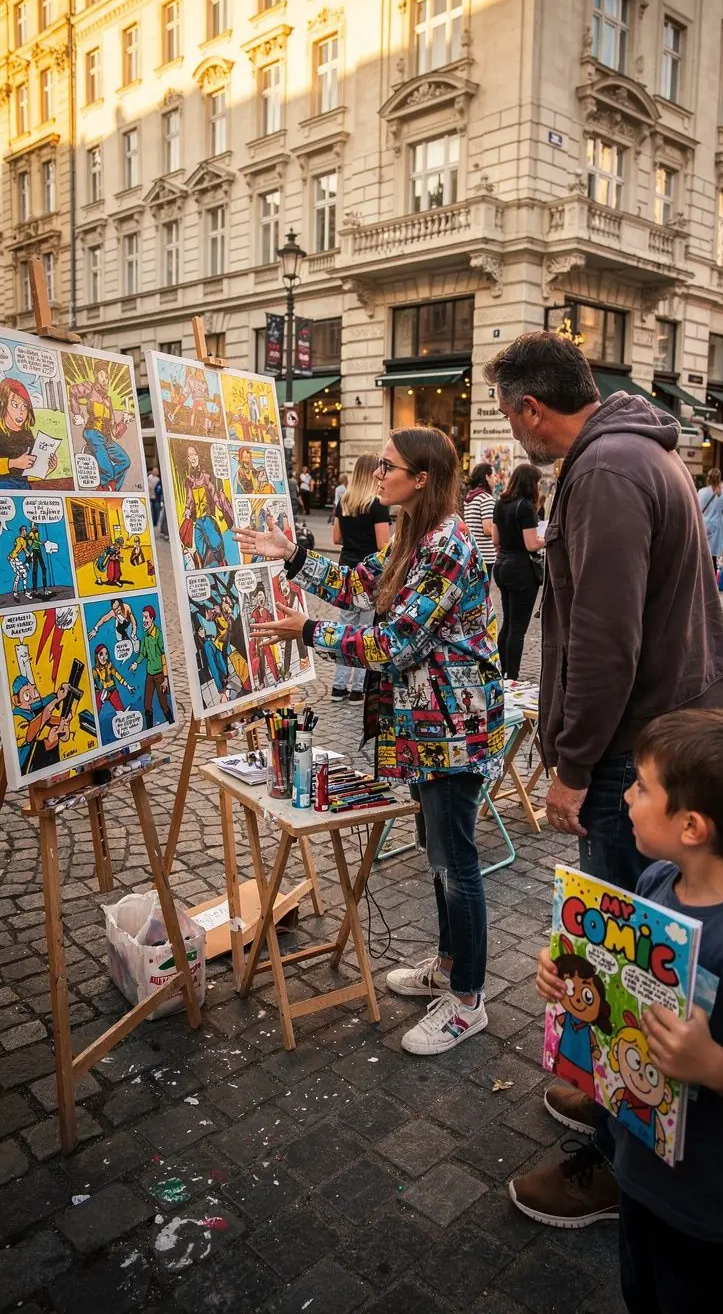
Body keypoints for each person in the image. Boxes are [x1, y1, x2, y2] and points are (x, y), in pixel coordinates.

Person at [483, 331, 723, 1225]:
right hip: (658, 734)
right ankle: (610, 1095)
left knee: (625, 956)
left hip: (636, 750)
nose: (515, 437)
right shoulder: (633, 454)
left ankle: (617, 1165)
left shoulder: (606, 471)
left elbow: (603, 639)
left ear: (529, 409)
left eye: (511, 420)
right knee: (628, 944)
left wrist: (574, 766)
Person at [519, 709, 723, 1313]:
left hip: (711, 1208)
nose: (625, 793)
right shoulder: (655, 882)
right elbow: (619, 996)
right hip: (641, 1173)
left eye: (642, 785)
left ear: (693, 827)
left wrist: (714, 1065)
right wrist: (567, 980)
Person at [236, 427, 505, 1057]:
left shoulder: (447, 548)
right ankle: (447, 965)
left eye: (388, 467)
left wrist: (308, 631)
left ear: (422, 478)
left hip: (452, 728)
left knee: (456, 861)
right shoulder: (416, 537)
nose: (377, 476)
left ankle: (468, 1000)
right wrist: (296, 559)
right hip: (427, 725)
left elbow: (394, 644)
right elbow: (366, 587)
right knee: (438, 853)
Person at [330, 453, 390, 704]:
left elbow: (335, 539)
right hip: (368, 573)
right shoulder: (377, 504)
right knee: (365, 630)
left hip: (345, 570)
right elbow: (383, 545)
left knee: (345, 628)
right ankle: (358, 688)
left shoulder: (345, 501)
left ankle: (338, 686)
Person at [492, 462, 546, 679]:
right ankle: (512, 676)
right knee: (518, 627)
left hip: (502, 565)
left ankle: (502, 671)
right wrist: (548, 538)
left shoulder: (501, 503)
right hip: (521, 569)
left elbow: (495, 539)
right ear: (530, 483)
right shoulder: (525, 507)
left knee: (507, 621)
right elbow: (531, 544)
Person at [69, 364, 131, 491]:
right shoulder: (89, 388)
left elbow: (115, 432)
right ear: (95, 375)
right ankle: (106, 488)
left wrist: (124, 421)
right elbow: (72, 391)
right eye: (101, 375)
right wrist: (77, 413)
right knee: (107, 471)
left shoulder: (108, 400)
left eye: (106, 377)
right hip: (92, 433)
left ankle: (109, 489)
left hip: (106, 438)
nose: (104, 379)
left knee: (125, 461)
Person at [0, 378, 58, 489]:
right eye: (15, 405)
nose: (21, 412)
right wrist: (13, 463)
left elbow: (34, 458)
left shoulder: (26, 432)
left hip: (23, 484)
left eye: (24, 406)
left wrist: (48, 463)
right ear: (3, 404)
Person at [129, 604, 173, 728]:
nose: (144, 620)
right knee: (147, 705)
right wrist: (136, 663)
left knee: (163, 704)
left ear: (152, 618)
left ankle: (170, 721)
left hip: (159, 675)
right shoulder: (145, 634)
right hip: (150, 674)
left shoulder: (158, 634)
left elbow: (164, 656)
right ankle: (149, 731)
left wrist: (165, 679)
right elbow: (143, 653)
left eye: (146, 617)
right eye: (143, 617)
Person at [463, 462, 497, 584]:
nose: (495, 479)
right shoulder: (486, 499)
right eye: (493, 475)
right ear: (487, 477)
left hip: (472, 553)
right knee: (484, 592)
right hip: (486, 556)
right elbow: (487, 529)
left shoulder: (470, 497)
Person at [698, 468, 723, 574]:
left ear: (708, 478)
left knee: (702, 556)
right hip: (716, 528)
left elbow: (697, 510)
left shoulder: (701, 492)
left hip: (703, 527)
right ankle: (712, 584)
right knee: (713, 559)